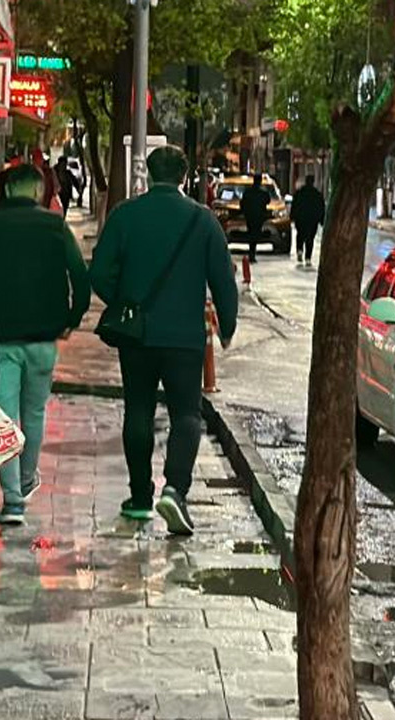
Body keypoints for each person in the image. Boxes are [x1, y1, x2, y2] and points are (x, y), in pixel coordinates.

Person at [90, 146, 239, 535]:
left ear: (148, 174)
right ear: (185, 177)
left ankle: (140, 496)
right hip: (185, 338)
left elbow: (100, 271)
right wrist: (227, 325)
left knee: (137, 409)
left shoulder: (125, 215)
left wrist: (123, 303)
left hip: (136, 337)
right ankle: (175, 488)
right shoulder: (203, 221)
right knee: (186, 414)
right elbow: (224, 281)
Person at [0, 164, 91, 525]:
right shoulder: (56, 227)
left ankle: (12, 501)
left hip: (0, 339)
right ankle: (26, 480)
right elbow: (82, 282)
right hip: (44, 339)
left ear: (8, 191)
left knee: (5, 419)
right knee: (35, 414)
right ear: (40, 191)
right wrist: (71, 320)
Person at [290, 174, 325, 267]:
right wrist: (321, 220)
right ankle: (308, 257)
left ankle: (300, 250)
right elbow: (321, 208)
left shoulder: (299, 193)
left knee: (300, 234)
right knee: (310, 238)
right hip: (312, 219)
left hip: (301, 218)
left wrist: (292, 217)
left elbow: (294, 205)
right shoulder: (317, 194)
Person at [240, 173, 270, 264]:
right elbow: (268, 201)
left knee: (251, 233)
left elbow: (242, 203)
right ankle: (252, 253)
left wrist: (245, 212)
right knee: (255, 234)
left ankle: (251, 252)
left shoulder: (248, 192)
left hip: (250, 216)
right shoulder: (263, 192)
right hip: (259, 217)